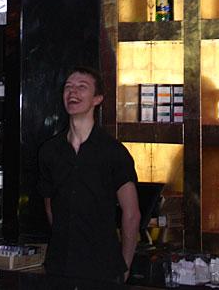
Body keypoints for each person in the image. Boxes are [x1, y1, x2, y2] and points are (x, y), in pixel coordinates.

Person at [38, 66, 141, 284]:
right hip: (59, 265)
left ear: (97, 99)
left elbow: (132, 214)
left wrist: (125, 265)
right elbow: (50, 206)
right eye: (68, 87)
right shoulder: (50, 151)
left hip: (102, 267)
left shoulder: (113, 152)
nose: (73, 92)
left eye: (82, 87)